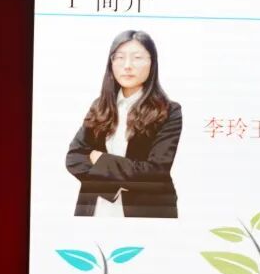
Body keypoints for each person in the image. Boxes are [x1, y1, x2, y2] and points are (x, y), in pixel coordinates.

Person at [65, 30, 183, 218]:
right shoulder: (100, 106)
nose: (127, 66)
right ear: (111, 63)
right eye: (120, 58)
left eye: (137, 58)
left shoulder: (169, 111)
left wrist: (100, 159)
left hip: (148, 212)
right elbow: (74, 158)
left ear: (152, 63)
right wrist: (111, 187)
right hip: (96, 210)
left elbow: (156, 172)